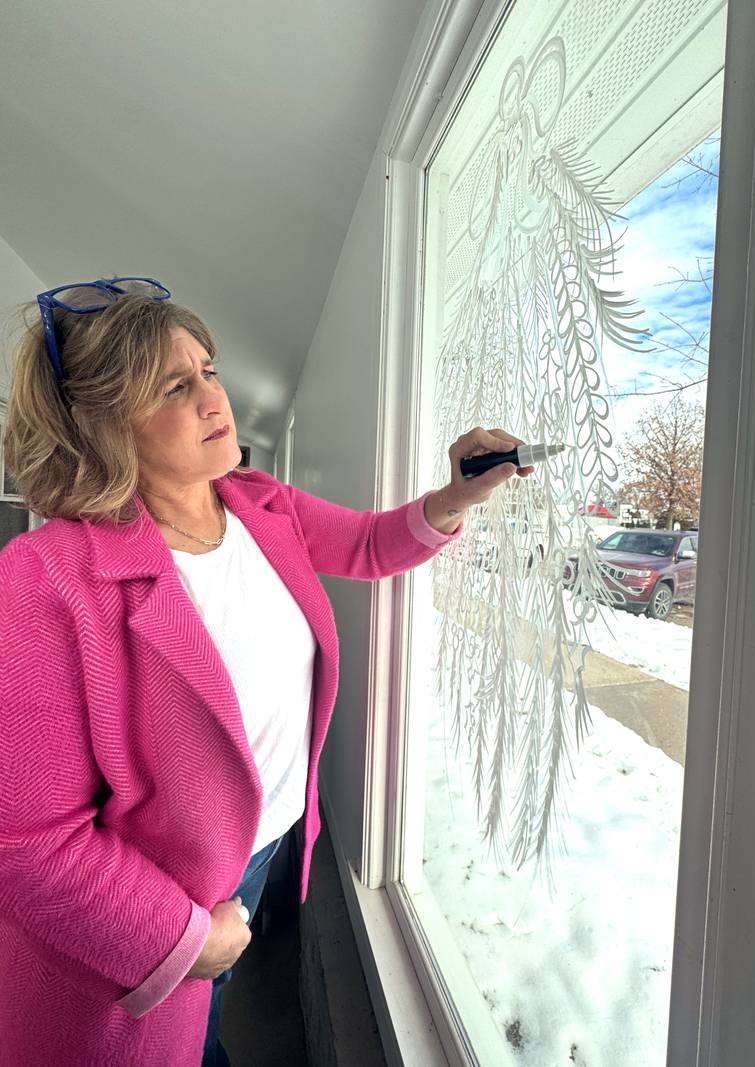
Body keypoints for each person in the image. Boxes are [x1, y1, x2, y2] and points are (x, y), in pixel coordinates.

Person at [0, 277, 533, 1066]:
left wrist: (458, 495)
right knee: (165, 1041)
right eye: (176, 387)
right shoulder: (44, 577)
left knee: (206, 1020)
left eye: (208, 370)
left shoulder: (257, 503)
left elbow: (369, 545)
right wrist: (184, 937)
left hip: (260, 853)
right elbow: (26, 841)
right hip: (153, 903)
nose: (214, 397)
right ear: (105, 425)